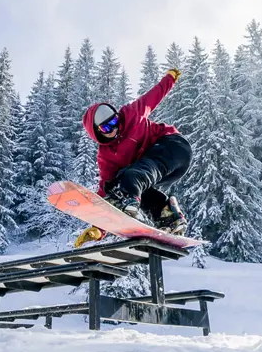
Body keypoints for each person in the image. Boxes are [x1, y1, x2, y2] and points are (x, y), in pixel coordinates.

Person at [75, 68, 191, 246]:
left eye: (114, 122)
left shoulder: (131, 114)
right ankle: (168, 215)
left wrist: (170, 78)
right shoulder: (106, 157)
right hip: (166, 170)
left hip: (173, 146)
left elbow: (153, 96)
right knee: (116, 184)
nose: (114, 129)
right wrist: (99, 229)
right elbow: (104, 191)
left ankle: (129, 201)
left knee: (132, 176)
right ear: (96, 133)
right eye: (106, 128)